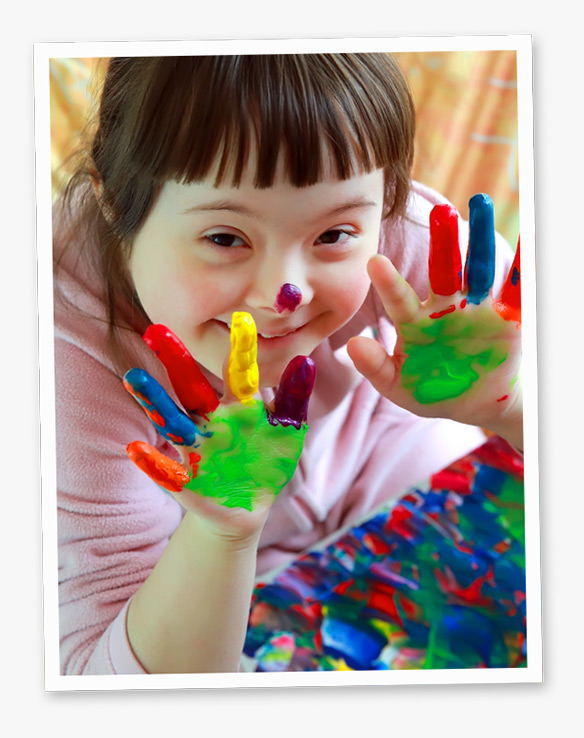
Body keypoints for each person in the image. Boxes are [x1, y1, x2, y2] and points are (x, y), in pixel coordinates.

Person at [53, 53, 522, 675]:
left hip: (375, 455)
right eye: (225, 238)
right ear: (116, 203)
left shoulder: (409, 243)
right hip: (180, 565)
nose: (285, 295)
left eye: (333, 236)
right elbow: (102, 691)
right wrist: (223, 534)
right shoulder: (56, 354)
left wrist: (515, 409)